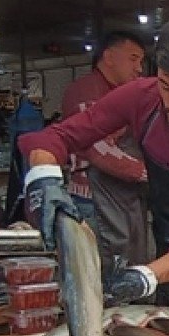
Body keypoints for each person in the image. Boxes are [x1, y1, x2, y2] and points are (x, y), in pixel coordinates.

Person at [18, 16, 169, 323]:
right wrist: (44, 180)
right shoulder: (140, 97)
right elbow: (59, 136)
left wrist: (142, 277)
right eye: (166, 87)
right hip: (167, 252)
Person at [61, 31, 149, 272]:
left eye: (140, 60)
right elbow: (97, 148)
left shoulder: (126, 95)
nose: (139, 68)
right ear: (108, 57)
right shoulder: (86, 91)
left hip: (124, 199)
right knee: (102, 274)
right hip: (93, 200)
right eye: (133, 58)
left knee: (130, 269)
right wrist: (149, 174)